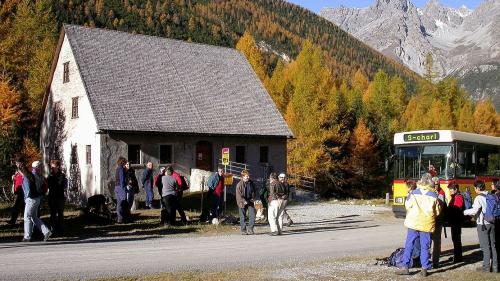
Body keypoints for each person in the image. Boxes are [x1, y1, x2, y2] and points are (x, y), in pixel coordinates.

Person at [396, 173, 441, 277]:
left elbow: (407, 205)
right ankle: (424, 268)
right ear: (431, 182)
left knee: (409, 244)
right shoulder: (433, 195)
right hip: (426, 224)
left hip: (413, 222)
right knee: (425, 246)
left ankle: (405, 267)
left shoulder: (414, 193)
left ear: (421, 181)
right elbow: (437, 211)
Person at [464, 180, 498, 273]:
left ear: (478, 188)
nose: (475, 189)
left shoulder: (478, 198)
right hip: (492, 223)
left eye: (475, 188)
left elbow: (474, 211)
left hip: (482, 224)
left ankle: (486, 268)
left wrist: (464, 212)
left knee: (485, 247)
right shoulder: (491, 195)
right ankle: (495, 267)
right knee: (493, 245)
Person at [22, 161, 52, 242]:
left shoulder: (31, 175)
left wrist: (27, 197)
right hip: (37, 198)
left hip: (31, 199)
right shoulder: (41, 176)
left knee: (27, 217)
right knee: (34, 217)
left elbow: (28, 189)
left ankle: (27, 236)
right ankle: (46, 231)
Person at [47, 160, 68, 236]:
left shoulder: (62, 175)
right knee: (52, 214)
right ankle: (53, 231)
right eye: (51, 166)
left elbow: (59, 185)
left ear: (58, 167)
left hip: (60, 198)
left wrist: (53, 184)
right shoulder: (50, 175)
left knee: (60, 214)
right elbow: (49, 184)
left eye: (53, 166)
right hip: (52, 197)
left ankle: (61, 230)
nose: (51, 168)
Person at [235, 170, 256, 235]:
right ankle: (243, 230)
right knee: (242, 216)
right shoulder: (239, 185)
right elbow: (238, 195)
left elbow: (254, 191)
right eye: (246, 176)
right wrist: (244, 201)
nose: (248, 177)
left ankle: (250, 229)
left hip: (250, 201)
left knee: (252, 215)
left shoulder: (251, 183)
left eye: (248, 176)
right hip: (242, 202)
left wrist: (254, 198)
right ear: (243, 177)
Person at [431, 176, 446, 269]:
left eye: (437, 184)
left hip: (438, 221)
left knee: (436, 242)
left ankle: (435, 262)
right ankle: (425, 260)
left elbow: (441, 206)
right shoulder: (429, 192)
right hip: (429, 221)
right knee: (427, 242)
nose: (436, 186)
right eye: (434, 184)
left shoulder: (441, 192)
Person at [448, 183, 464, 263]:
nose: (450, 191)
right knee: (455, 239)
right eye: (449, 189)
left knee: (456, 239)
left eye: (451, 189)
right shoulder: (455, 197)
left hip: (456, 222)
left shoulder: (458, 197)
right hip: (455, 221)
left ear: (456, 189)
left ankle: (458, 258)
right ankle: (457, 256)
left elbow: (457, 209)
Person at [9, 156, 26, 225]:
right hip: (18, 191)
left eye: (17, 163)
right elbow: (17, 179)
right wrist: (13, 177)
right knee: (22, 207)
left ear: (21, 163)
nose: (16, 164)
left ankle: (12, 221)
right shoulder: (17, 170)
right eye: (16, 163)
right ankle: (26, 220)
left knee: (16, 207)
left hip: (22, 191)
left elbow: (26, 178)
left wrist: (21, 173)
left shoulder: (24, 169)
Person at [115, 157, 128, 223]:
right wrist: (124, 188)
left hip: (117, 186)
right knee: (123, 202)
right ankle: (122, 218)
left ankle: (119, 218)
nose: (126, 163)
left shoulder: (117, 168)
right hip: (121, 187)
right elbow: (122, 179)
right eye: (125, 162)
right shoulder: (121, 169)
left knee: (119, 203)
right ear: (122, 162)